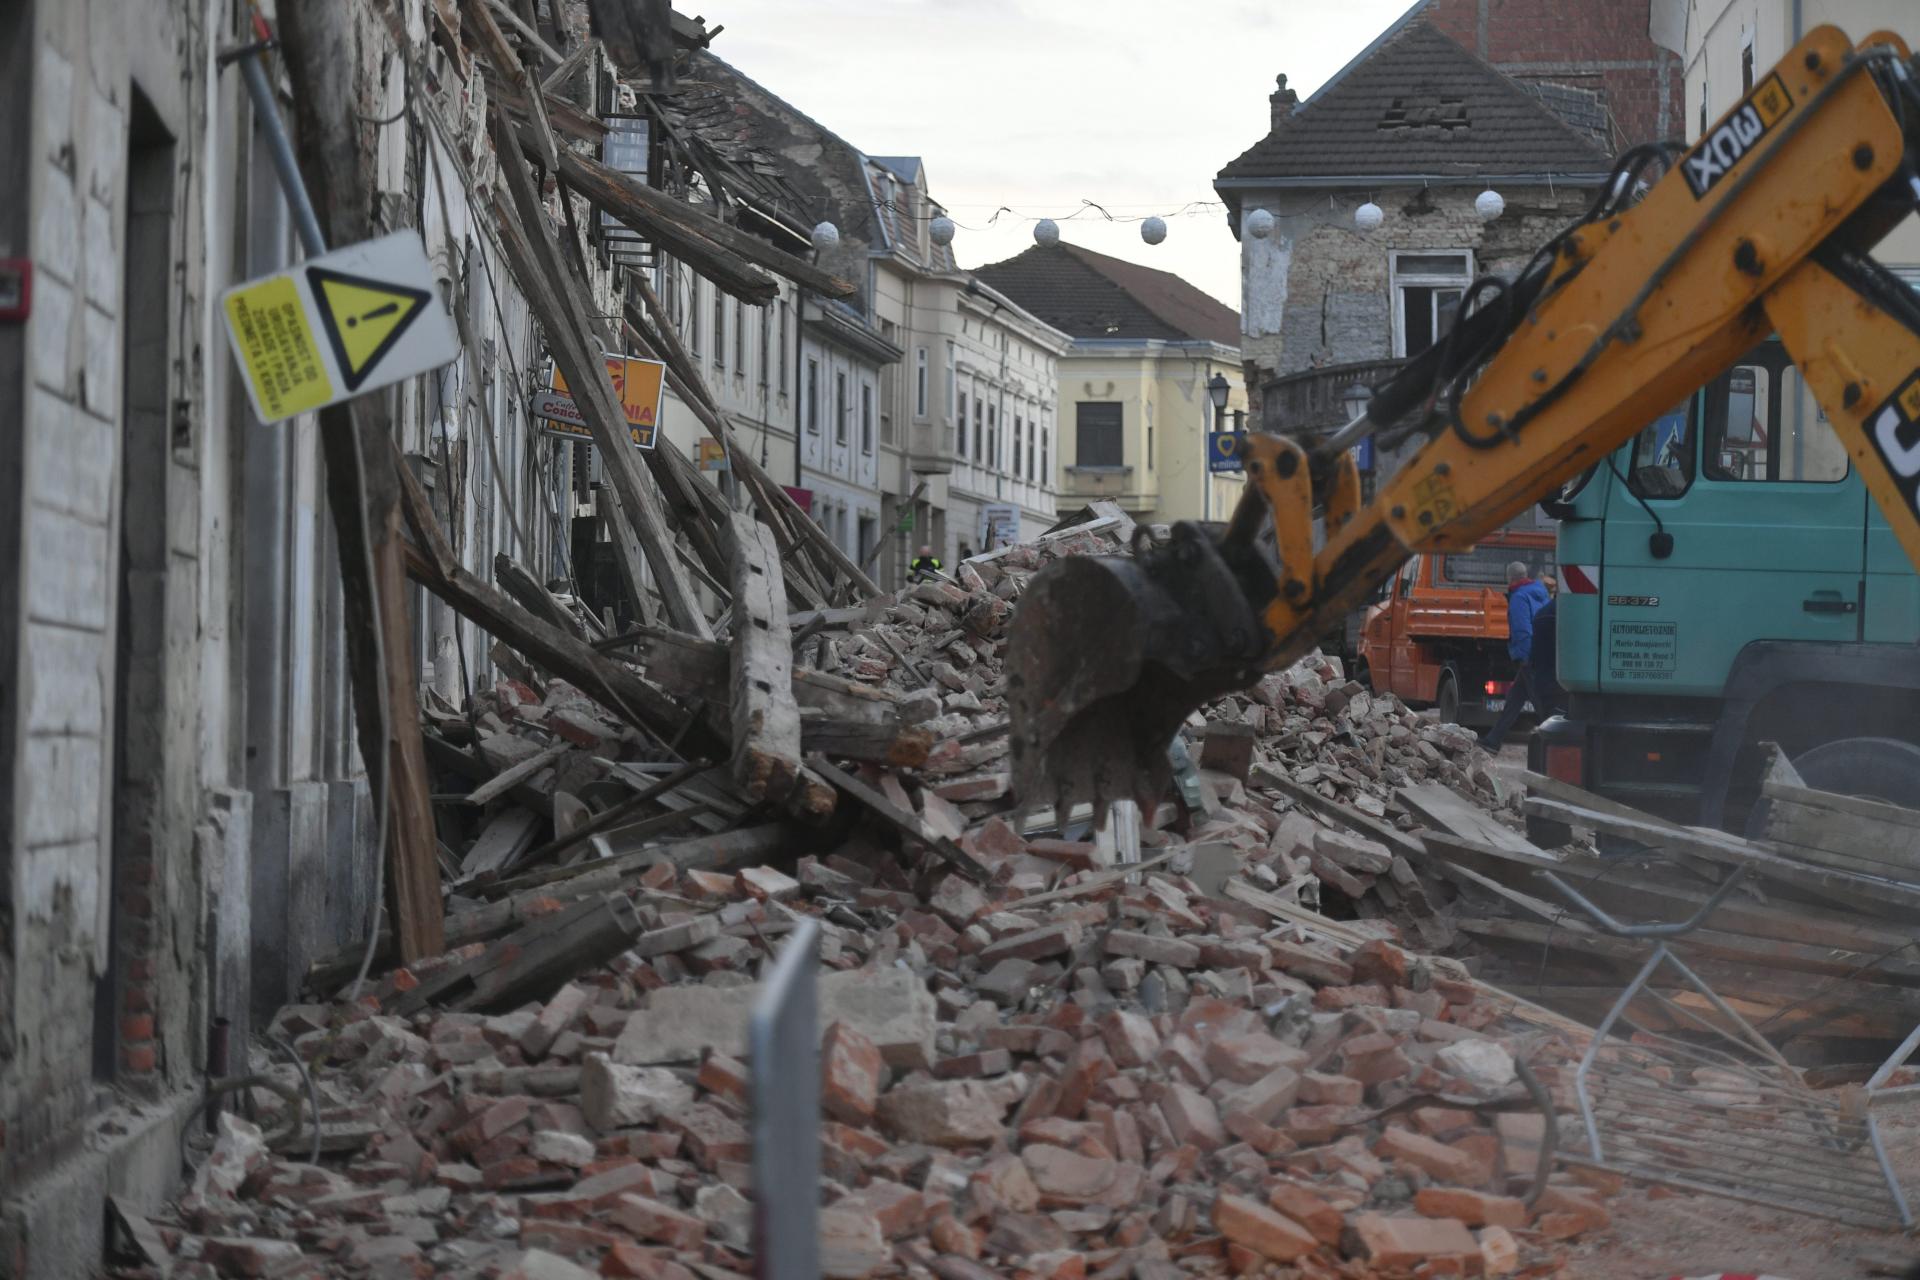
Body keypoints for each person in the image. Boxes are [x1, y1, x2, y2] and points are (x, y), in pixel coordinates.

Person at [1478, 561, 1552, 750]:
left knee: (1539, 701)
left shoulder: (1519, 597)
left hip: (1530, 655)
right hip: (1543, 650)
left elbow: (1522, 630)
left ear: (1509, 577)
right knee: (1515, 699)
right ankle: (1493, 740)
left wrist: (1526, 658)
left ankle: (1555, 740)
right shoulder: (1540, 592)